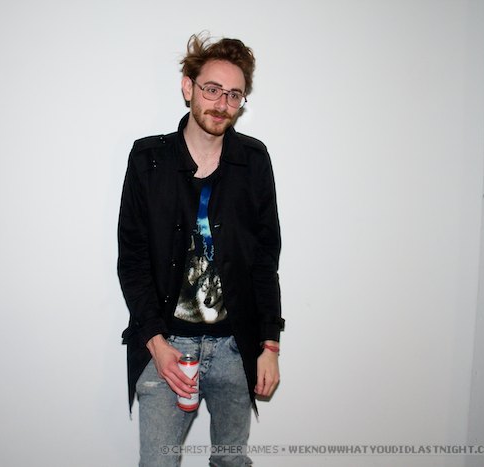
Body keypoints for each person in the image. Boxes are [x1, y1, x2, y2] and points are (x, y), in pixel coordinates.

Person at [117, 33, 285, 467]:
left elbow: (265, 259)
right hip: (167, 346)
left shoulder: (254, 161)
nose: (222, 104)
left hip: (235, 347)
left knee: (231, 461)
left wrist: (269, 345)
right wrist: (155, 344)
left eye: (234, 95)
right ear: (188, 87)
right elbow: (132, 260)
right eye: (212, 89)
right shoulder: (148, 160)